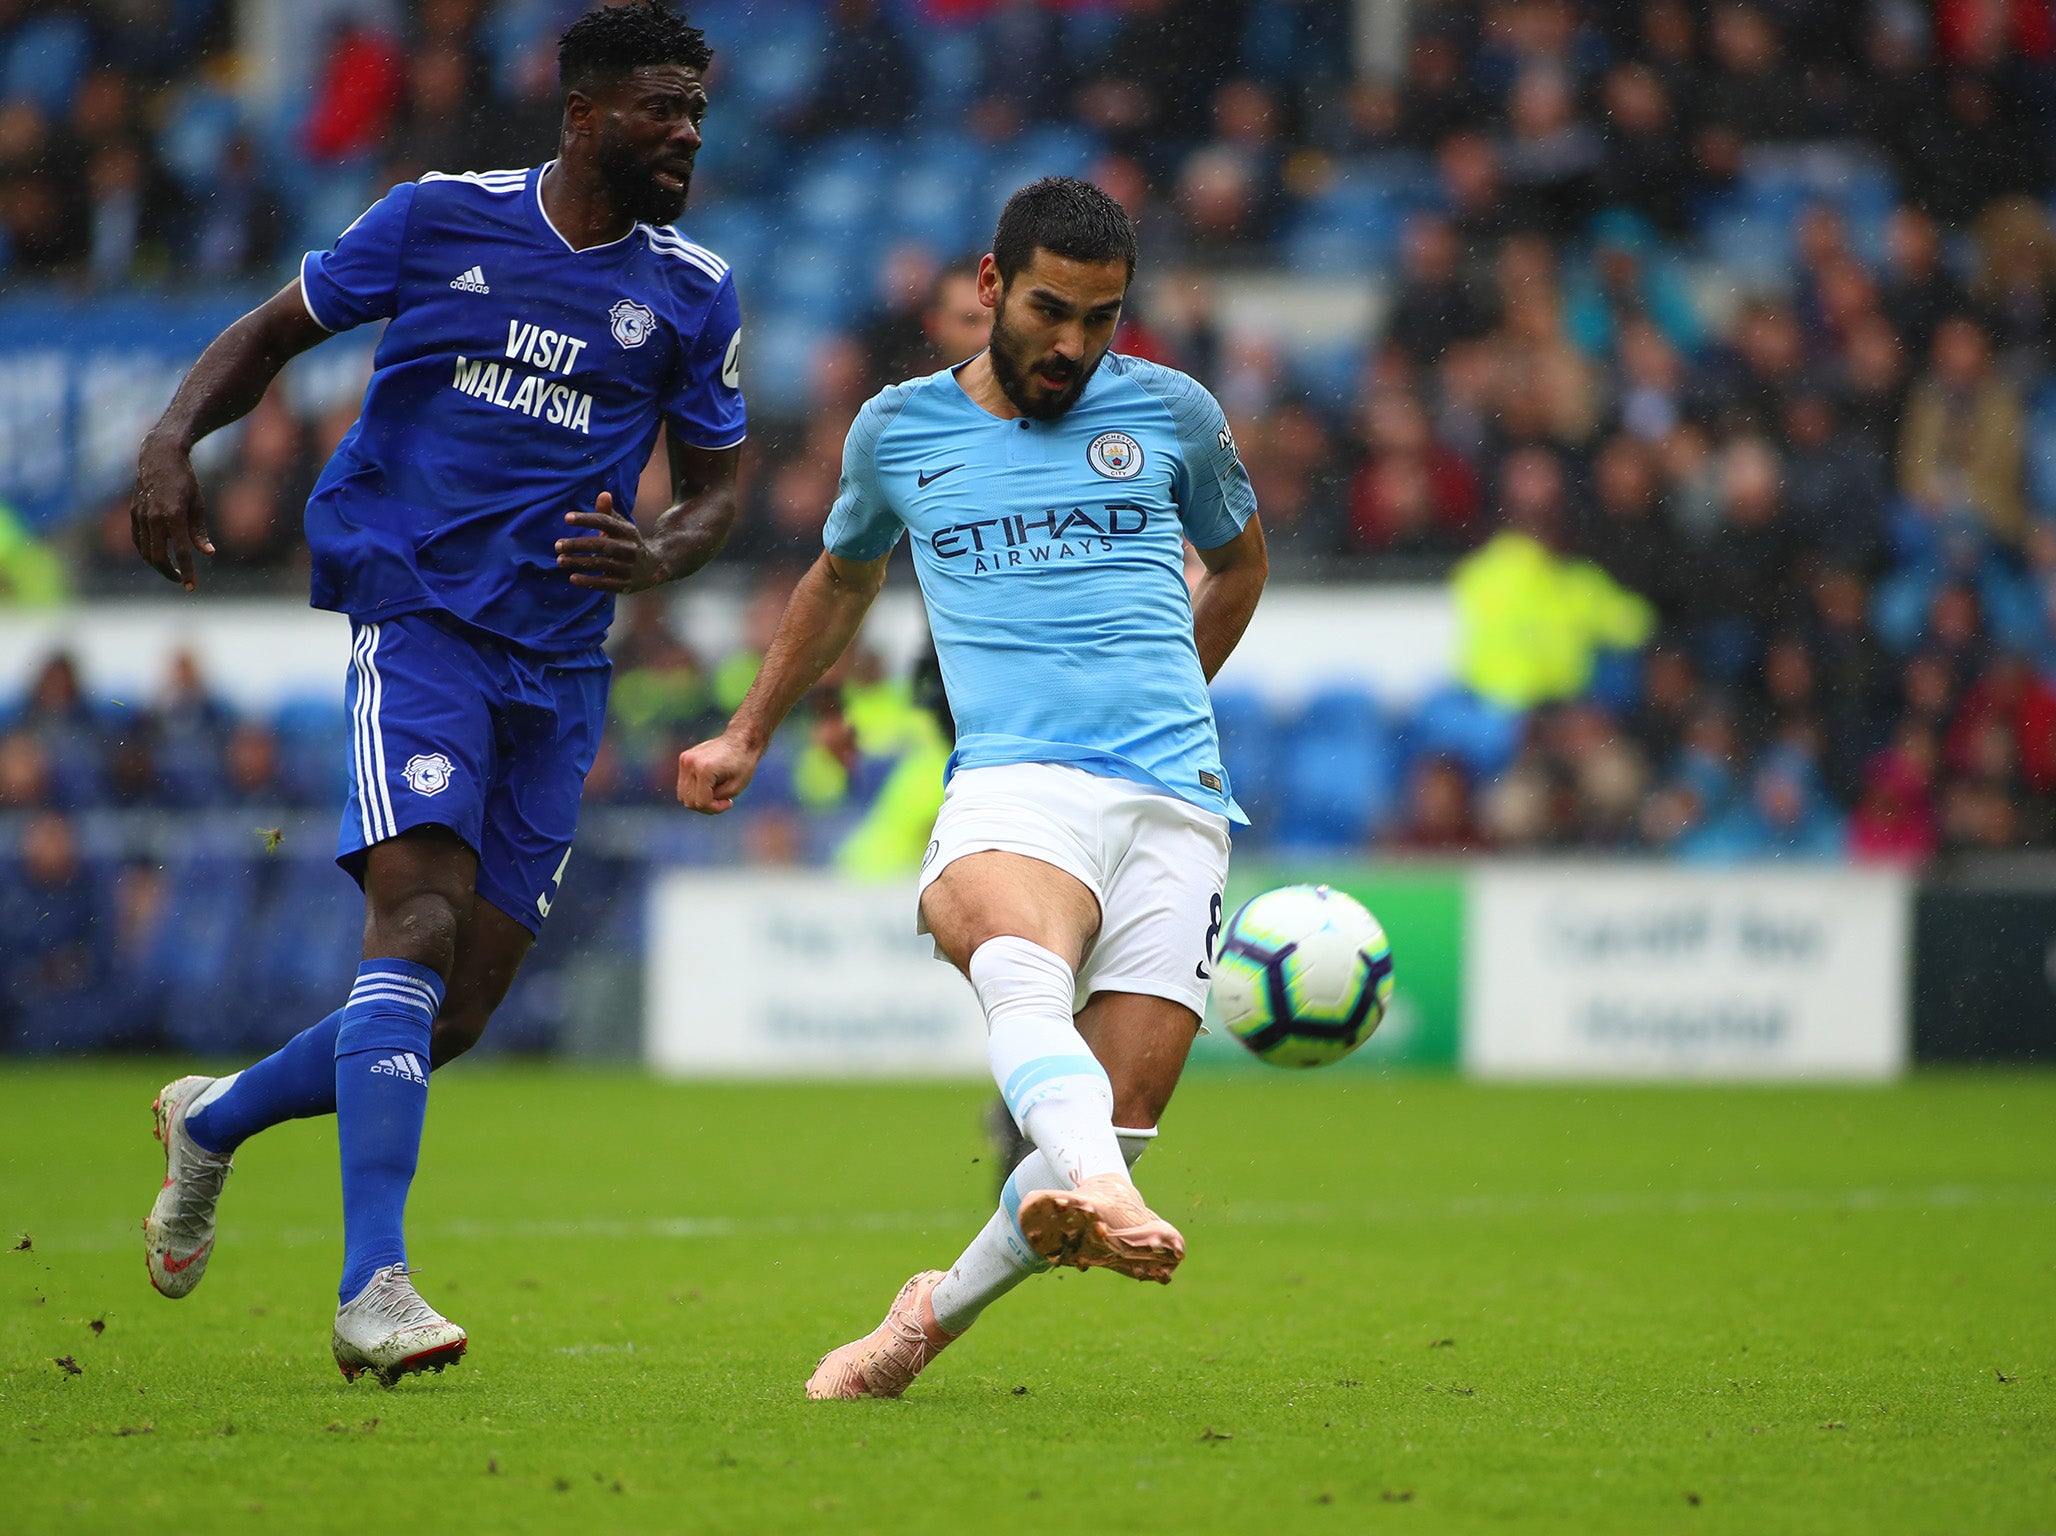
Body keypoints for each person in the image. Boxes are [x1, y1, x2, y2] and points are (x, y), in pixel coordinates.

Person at [130, 0, 744, 1386]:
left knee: (457, 1009)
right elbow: (272, 331)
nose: (685, 132)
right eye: (659, 106)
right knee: (411, 915)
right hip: (420, 622)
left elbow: (718, 490)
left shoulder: (694, 289)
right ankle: (374, 1286)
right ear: (583, 113)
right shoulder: (436, 219)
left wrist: (658, 552)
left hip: (564, 662)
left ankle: (215, 1120)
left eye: (695, 111)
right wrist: (172, 438)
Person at [677, 177, 1270, 1400]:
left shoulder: (1173, 413)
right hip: (1015, 781)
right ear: (990, 287)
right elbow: (839, 584)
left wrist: (1171, 696)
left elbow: (1239, 564)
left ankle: (920, 1324)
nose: (1073, 344)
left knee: (1116, 1108)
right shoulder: (898, 432)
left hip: (1174, 799)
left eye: (1101, 319)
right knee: (1011, 951)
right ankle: (1101, 1193)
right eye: (1051, 310)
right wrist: (746, 731)